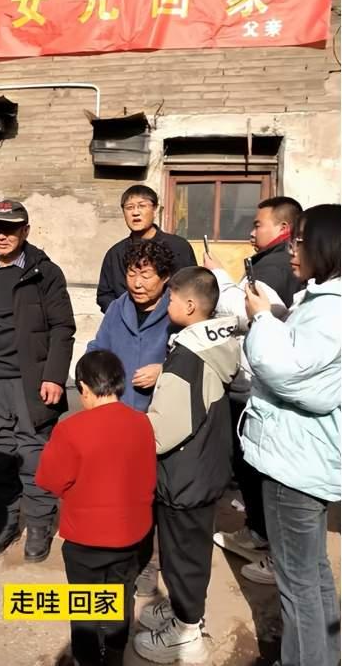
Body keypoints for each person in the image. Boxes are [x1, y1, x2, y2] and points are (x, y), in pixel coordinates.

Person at [242, 204, 341, 666]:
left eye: (300, 241)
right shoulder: (321, 301)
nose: (292, 250)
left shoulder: (330, 310)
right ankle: (326, 654)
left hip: (293, 464)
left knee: (297, 585)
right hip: (309, 457)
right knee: (313, 574)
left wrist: (263, 319)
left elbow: (289, 372)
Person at [135, 267, 239, 664]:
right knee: (188, 552)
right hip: (203, 467)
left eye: (172, 299)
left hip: (185, 476)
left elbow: (163, 431)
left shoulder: (187, 357)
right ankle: (183, 610)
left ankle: (186, 632)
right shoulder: (214, 342)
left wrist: (131, 431)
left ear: (191, 305)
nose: (167, 306)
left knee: (183, 557)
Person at [0, 199, 75, 561]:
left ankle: (40, 527)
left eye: (10, 229)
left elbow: (63, 328)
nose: (2, 236)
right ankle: (5, 523)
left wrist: (54, 376)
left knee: (34, 458)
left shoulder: (45, 273)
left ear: (25, 231)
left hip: (32, 384)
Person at [36, 350, 156, 666]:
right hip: (131, 534)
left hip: (85, 539)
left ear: (84, 388)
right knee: (120, 595)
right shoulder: (142, 423)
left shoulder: (71, 429)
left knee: (85, 604)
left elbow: (50, 480)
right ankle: (114, 653)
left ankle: (86, 658)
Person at [205, 196, 302, 585]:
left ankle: (269, 544)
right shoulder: (273, 263)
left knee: (257, 466)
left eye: (258, 224)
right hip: (256, 381)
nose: (250, 231)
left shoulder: (277, 267)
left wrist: (219, 278)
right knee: (250, 465)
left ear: (283, 228)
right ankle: (260, 532)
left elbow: (249, 314)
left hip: (258, 384)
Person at [88, 240, 173, 412]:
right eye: (131, 274)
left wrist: (163, 371)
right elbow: (98, 351)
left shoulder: (176, 311)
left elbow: (192, 362)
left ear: (165, 277)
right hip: (118, 410)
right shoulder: (117, 308)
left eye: (146, 276)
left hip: (160, 412)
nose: (137, 283)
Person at [97, 185, 196, 313]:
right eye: (129, 207)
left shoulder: (178, 247)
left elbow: (192, 288)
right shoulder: (115, 253)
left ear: (155, 209)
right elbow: (105, 295)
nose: (135, 213)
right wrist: (122, 316)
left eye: (142, 206)